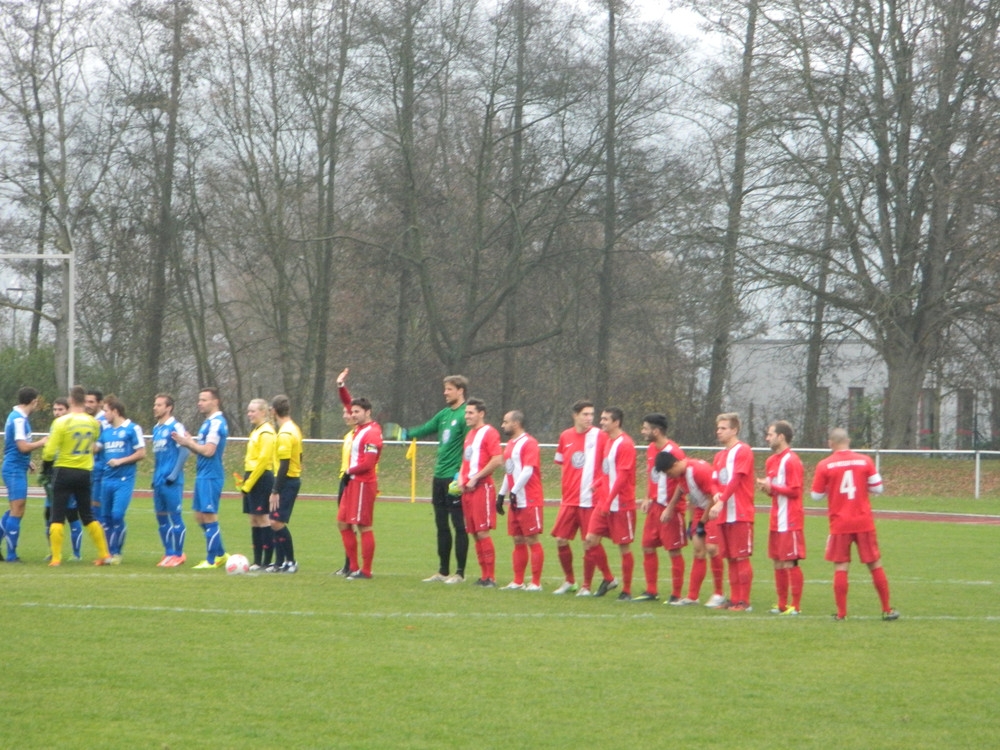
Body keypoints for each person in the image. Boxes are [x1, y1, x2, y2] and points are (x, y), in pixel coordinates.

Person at [811, 428, 899, 621]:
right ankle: (887, 609)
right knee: (874, 563)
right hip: (863, 520)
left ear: (830, 443)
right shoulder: (865, 460)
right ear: (848, 441)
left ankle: (842, 614)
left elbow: (816, 496)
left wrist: (832, 487)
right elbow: (878, 488)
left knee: (841, 566)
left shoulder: (825, 465)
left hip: (840, 522)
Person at [404, 375, 470, 584]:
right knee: (441, 525)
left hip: (454, 477)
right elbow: (425, 429)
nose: (445, 393)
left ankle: (459, 573)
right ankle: (443, 571)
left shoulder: (466, 415)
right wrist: (404, 433)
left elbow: (469, 447)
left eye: (449, 389)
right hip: (439, 476)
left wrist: (462, 473)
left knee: (458, 525)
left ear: (460, 390)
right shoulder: (443, 414)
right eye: (445, 389)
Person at [41, 385, 112, 566]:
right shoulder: (93, 422)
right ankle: (104, 554)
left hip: (64, 470)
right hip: (85, 472)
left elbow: (49, 451)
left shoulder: (61, 422)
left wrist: (46, 466)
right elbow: (94, 442)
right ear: (83, 401)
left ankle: (56, 558)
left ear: (70, 400)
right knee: (87, 515)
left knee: (57, 515)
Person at [551, 400, 607, 595]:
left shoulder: (600, 436)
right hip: (569, 499)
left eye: (591, 414)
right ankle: (570, 581)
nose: (589, 418)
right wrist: (565, 488)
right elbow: (562, 464)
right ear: (575, 415)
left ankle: (586, 586)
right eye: (585, 414)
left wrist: (599, 485)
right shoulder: (565, 436)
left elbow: (608, 465)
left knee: (588, 543)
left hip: (590, 500)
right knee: (560, 540)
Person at [581, 407, 636, 601]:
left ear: (616, 422)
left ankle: (626, 591)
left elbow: (622, 477)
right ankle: (609, 578)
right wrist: (597, 484)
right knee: (590, 540)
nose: (601, 422)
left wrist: (609, 500)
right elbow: (607, 471)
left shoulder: (625, 444)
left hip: (621, 504)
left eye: (605, 419)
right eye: (602, 418)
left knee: (624, 547)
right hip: (604, 501)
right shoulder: (608, 442)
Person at [173, 387, 229, 569]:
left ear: (215, 402)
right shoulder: (208, 423)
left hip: (211, 475)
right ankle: (221, 554)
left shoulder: (216, 423)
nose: (200, 403)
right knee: (199, 516)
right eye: (199, 399)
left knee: (209, 516)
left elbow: (209, 451)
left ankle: (212, 560)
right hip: (203, 474)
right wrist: (190, 443)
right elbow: (202, 449)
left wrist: (189, 443)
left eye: (204, 400)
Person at [657, 451, 722, 606]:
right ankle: (693, 596)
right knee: (698, 550)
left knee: (712, 548)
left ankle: (719, 594)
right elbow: (684, 490)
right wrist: (675, 511)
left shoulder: (698, 471)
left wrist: (702, 523)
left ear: (675, 465)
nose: (670, 477)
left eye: (669, 473)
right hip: (700, 509)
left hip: (714, 507)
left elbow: (711, 498)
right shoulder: (681, 473)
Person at [635, 413, 687, 603]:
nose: (642, 431)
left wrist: (671, 508)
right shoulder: (651, 449)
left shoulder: (675, 452)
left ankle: (676, 595)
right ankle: (651, 591)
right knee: (647, 547)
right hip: (655, 508)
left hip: (671, 510)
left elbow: (683, 483)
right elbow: (652, 475)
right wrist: (647, 497)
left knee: (674, 550)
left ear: (656, 431)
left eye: (645, 428)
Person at [756, 420, 806, 615]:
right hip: (776, 518)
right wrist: (767, 489)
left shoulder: (791, 460)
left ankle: (796, 606)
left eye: (770, 434)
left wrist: (773, 487)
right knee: (777, 561)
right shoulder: (771, 461)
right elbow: (775, 491)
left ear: (781, 437)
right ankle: (782, 604)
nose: (767, 438)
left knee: (789, 562)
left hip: (790, 518)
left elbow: (795, 491)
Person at [711, 412, 756, 611]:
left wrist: (721, 501)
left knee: (740, 557)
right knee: (729, 557)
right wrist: (715, 494)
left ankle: (744, 601)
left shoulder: (743, 450)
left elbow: (736, 479)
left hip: (740, 512)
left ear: (734, 430)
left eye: (723, 428)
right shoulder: (719, 456)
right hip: (724, 514)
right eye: (718, 428)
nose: (718, 431)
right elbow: (714, 480)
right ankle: (734, 598)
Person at [497, 410, 545, 591]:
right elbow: (509, 471)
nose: (503, 425)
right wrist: (501, 494)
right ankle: (518, 581)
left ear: (516, 423)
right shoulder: (510, 444)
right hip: (515, 500)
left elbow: (528, 470)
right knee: (517, 539)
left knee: (532, 539)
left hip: (529, 499)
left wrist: (514, 491)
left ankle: (536, 583)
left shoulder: (529, 443)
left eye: (506, 421)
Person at [458, 398, 503, 586]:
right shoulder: (470, 434)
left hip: (482, 488)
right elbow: (465, 461)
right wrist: (461, 478)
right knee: (475, 533)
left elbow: (497, 459)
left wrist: (476, 477)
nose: (467, 416)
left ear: (481, 414)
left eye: (470, 413)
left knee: (483, 532)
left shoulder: (489, 432)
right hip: (468, 490)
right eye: (466, 413)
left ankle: (490, 577)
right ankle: (483, 576)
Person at [97, 395, 147, 563]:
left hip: (124, 480)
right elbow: (95, 448)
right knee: (105, 518)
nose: (104, 414)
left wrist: (121, 461)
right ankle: (108, 554)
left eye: (106, 411)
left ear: (115, 411)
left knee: (117, 515)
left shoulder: (132, 429)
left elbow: (141, 453)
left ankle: (116, 552)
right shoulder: (106, 432)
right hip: (106, 480)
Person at [1, 386, 48, 562]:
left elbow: (13, 445)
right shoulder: (19, 419)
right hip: (13, 469)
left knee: (16, 509)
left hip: (16, 466)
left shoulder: (16, 417)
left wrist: (27, 461)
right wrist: (42, 442)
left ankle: (8, 551)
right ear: (33, 401)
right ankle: (11, 555)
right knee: (17, 509)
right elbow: (22, 446)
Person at [338, 396, 382, 579]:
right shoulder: (360, 429)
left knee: (364, 525)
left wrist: (349, 471)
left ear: (368, 412)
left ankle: (366, 570)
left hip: (363, 483)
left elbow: (369, 463)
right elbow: (347, 400)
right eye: (352, 411)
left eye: (357, 412)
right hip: (352, 481)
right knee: (342, 522)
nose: (353, 414)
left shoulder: (372, 432)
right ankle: (354, 567)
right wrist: (341, 386)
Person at [42, 397, 83, 560]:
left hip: (69, 474)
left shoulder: (72, 427)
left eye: (60, 409)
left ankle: (76, 554)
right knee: (49, 514)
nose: (57, 413)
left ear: (68, 410)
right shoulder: (55, 426)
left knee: (71, 514)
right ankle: (53, 552)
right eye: (55, 409)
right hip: (54, 476)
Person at [151, 393, 189, 567]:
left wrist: (173, 474)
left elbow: (184, 450)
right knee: (161, 518)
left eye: (159, 405)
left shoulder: (175, 426)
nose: (155, 408)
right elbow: (158, 457)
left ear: (169, 408)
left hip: (172, 482)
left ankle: (179, 554)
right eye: (155, 404)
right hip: (159, 481)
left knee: (175, 517)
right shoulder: (156, 429)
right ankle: (168, 553)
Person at [240, 398, 276, 571]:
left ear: (263, 412)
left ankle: (267, 561)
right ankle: (257, 561)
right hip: (252, 476)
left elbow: (263, 461)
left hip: (261, 478)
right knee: (253, 519)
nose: (249, 414)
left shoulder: (267, 432)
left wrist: (248, 484)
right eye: (248, 411)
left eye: (253, 411)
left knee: (263, 518)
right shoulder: (256, 431)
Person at [269, 394, 302, 573]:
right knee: (274, 521)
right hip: (290, 479)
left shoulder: (285, 433)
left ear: (273, 411)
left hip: (287, 480)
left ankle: (290, 561)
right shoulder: (294, 428)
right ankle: (279, 562)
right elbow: (300, 457)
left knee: (277, 522)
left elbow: (285, 464)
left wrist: (275, 490)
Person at [332, 368, 355, 576]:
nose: (346, 415)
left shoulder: (360, 431)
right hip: (344, 479)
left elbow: (349, 402)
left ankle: (352, 565)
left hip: (355, 481)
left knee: (350, 523)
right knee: (343, 523)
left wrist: (341, 387)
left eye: (349, 412)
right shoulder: (349, 435)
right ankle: (348, 565)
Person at [84, 389, 110, 529]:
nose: (87, 405)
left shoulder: (104, 422)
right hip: (90, 470)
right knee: (92, 512)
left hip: (101, 471)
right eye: (86, 402)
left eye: (91, 402)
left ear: (100, 403)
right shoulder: (89, 420)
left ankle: (110, 541)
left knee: (100, 512)